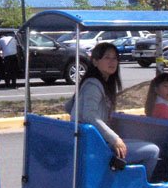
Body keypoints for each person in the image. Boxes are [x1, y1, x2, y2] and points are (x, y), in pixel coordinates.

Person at [65, 42, 160, 180]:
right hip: (95, 147)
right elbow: (89, 115)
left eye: (115, 58)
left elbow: (69, 107)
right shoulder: (93, 85)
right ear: (95, 62)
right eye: (107, 57)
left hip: (92, 142)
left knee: (142, 143)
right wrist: (114, 138)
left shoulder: (95, 82)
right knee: (152, 150)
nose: (112, 62)